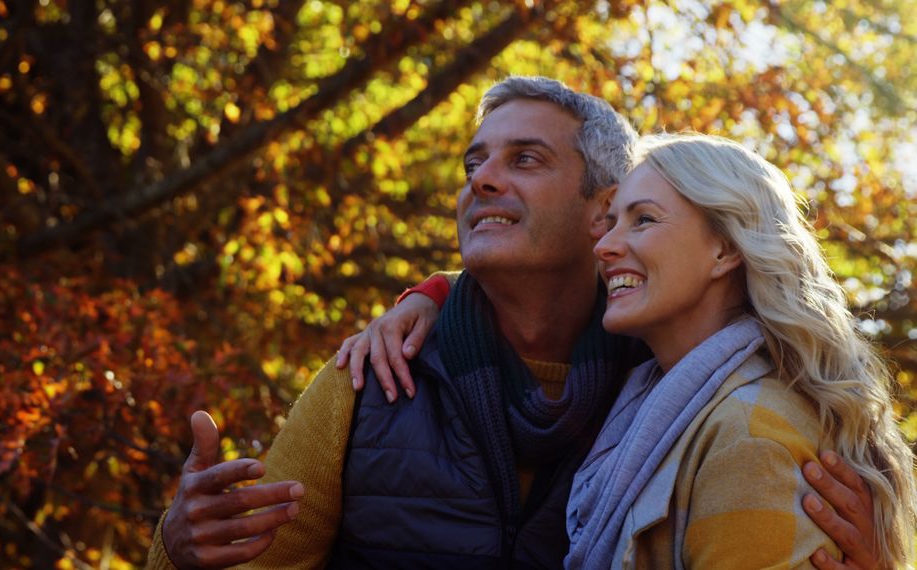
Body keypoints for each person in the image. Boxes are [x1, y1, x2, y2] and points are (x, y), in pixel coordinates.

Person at [147, 77, 882, 569]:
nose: (481, 179)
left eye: (524, 159)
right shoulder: (375, 375)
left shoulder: (670, 381)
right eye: (475, 162)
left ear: (603, 211)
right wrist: (176, 550)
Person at [346, 134, 917, 567]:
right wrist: (434, 296)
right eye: (612, 221)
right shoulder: (653, 396)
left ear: (724, 250)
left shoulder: (748, 435)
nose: (607, 245)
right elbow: (530, 279)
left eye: (643, 220)